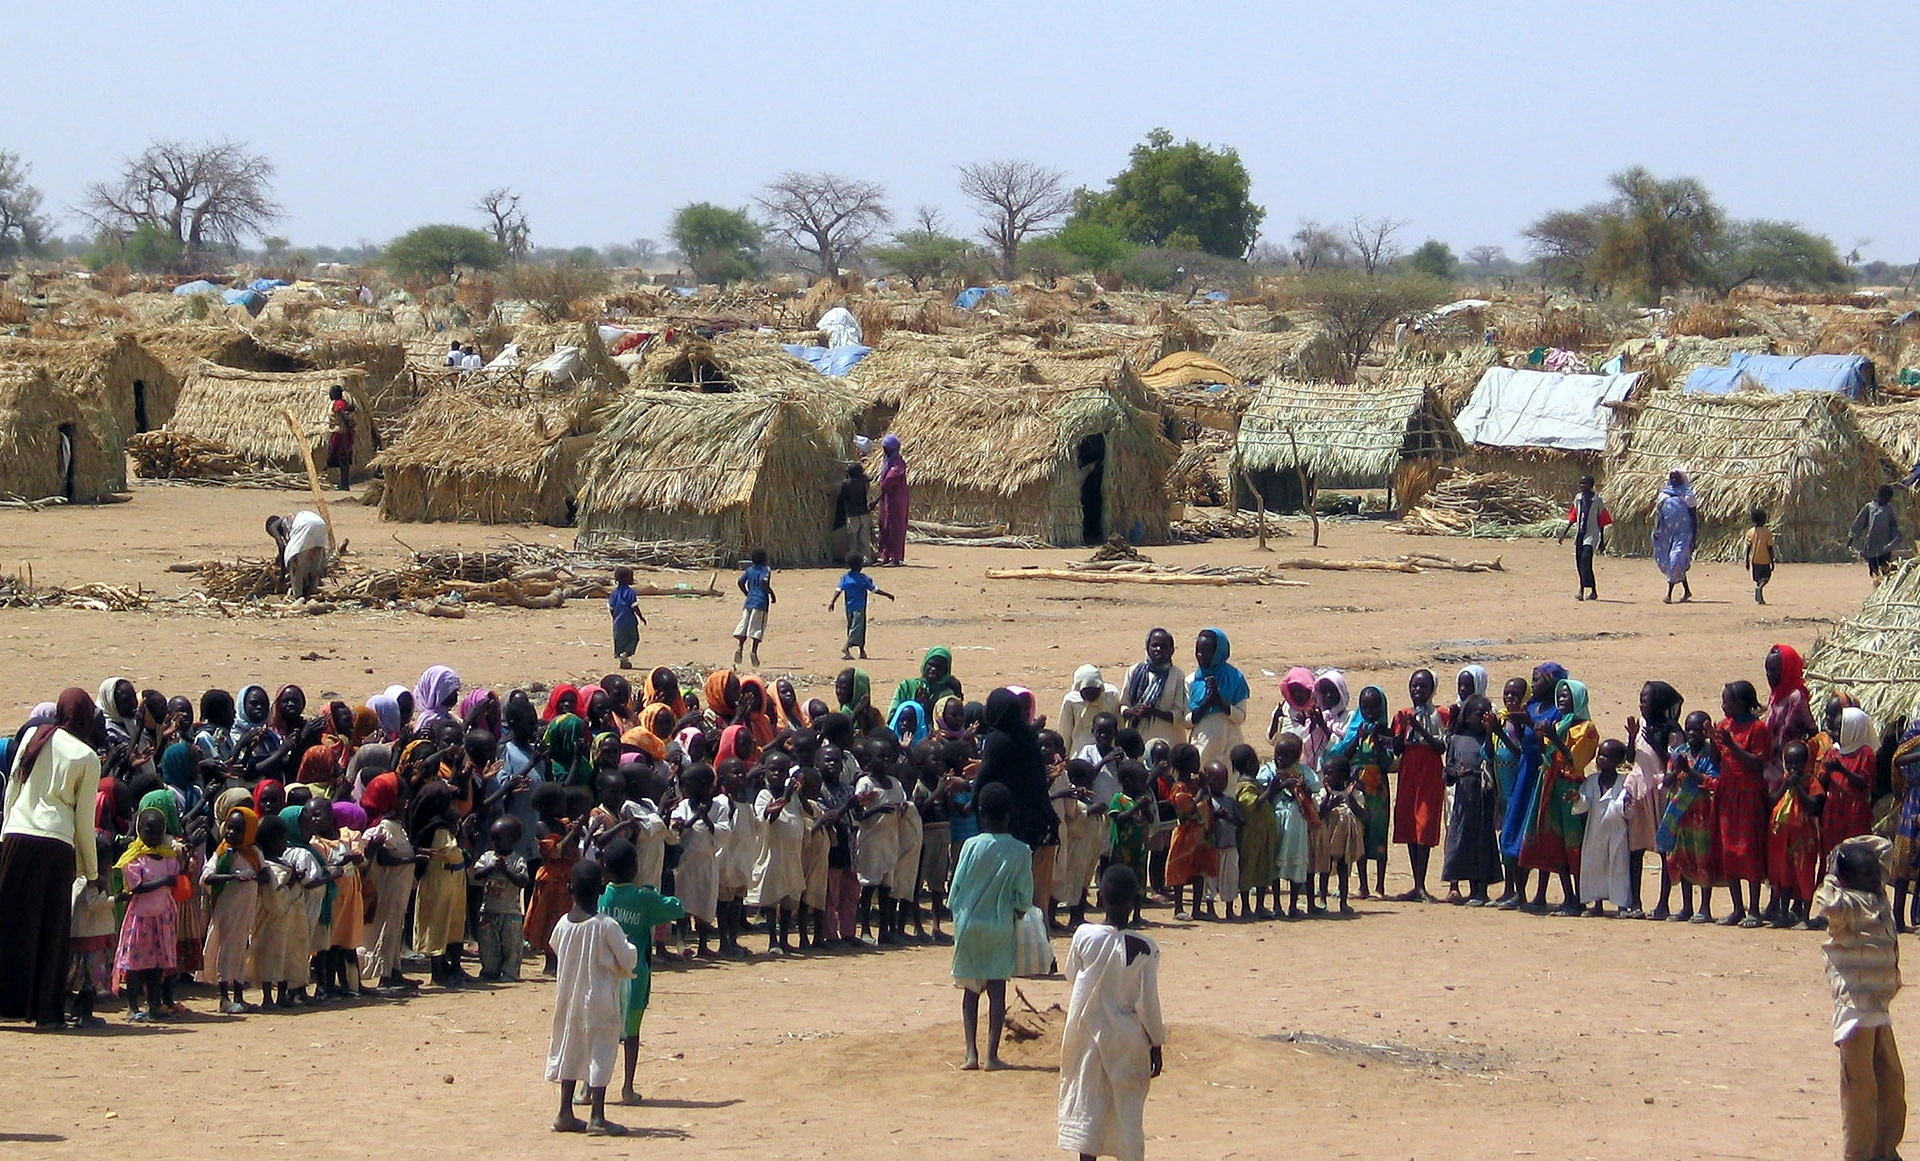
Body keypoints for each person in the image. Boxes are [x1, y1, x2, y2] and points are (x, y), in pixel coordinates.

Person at [0, 687, 102, 1026]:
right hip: (56, 845)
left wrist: (4, 836)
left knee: (8, 924)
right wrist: (91, 870)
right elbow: (84, 821)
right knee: (49, 930)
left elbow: (13, 788)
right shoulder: (87, 757)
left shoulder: (34, 736)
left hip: (16, 836)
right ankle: (44, 1013)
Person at [1056, 864, 1165, 1161]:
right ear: (1135, 902)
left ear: (1100, 898)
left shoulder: (1083, 935)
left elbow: (1070, 975)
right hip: (1127, 1040)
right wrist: (1156, 1041)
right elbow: (1148, 1002)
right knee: (1127, 1111)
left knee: (1088, 1105)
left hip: (1086, 1036)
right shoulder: (1146, 947)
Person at [1813, 836, 1906, 1161]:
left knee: (1890, 1082)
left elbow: (1883, 846)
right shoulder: (1844, 907)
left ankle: (1885, 1149)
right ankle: (1860, 1154)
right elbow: (1825, 899)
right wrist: (1833, 867)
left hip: (1879, 1009)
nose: (1874, 875)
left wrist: (1844, 848)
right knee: (1860, 1087)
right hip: (1854, 1012)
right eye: (1866, 873)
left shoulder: (1878, 897)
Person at [547, 860, 638, 1136]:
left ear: (568, 889)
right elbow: (628, 958)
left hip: (568, 997)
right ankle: (597, 1116)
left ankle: (565, 1112)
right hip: (599, 998)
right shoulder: (606, 925)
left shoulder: (563, 924)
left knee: (570, 1046)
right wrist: (625, 946)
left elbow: (555, 947)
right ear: (601, 888)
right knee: (601, 1049)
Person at [948, 782, 1034, 1072]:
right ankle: (992, 1056)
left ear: (980, 812)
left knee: (970, 991)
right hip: (1000, 926)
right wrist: (1020, 912)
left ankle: (970, 1053)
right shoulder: (1021, 851)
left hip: (969, 923)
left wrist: (958, 916)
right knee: (997, 991)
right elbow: (1024, 895)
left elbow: (956, 887)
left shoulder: (971, 846)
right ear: (1010, 813)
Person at [598, 838, 683, 1106]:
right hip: (635, 978)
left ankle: (589, 1089)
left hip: (602, 978)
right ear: (635, 867)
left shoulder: (600, 897)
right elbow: (676, 907)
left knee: (598, 1033)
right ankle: (627, 1087)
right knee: (631, 1034)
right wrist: (652, 891)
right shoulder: (643, 898)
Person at [1391, 669, 1449, 902]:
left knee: (1424, 824)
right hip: (1409, 771)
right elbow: (1396, 749)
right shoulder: (1402, 715)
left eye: (1423, 687)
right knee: (1409, 825)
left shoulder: (1441, 715)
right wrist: (1402, 730)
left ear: (1431, 690)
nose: (1417, 690)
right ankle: (1416, 883)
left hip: (1429, 772)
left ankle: (1422, 884)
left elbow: (1440, 747)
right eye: (1414, 686)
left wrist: (1420, 726)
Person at [1442, 695, 1501, 906]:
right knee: (1463, 840)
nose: (1483, 718)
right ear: (1467, 717)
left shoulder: (1492, 738)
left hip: (1483, 796)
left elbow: (1492, 759)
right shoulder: (1457, 739)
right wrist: (1453, 771)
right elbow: (1447, 771)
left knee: (1483, 841)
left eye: (1487, 714)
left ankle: (1481, 889)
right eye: (1479, 715)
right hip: (1463, 798)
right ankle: (1463, 886)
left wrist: (1489, 732)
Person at [1573, 739, 1634, 917]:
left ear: (1617, 761)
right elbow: (1584, 803)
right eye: (1599, 755)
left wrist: (1627, 805)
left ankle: (1622, 904)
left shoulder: (1624, 782)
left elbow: (1627, 808)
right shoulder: (1592, 781)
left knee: (1618, 866)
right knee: (1595, 865)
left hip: (1617, 832)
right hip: (1595, 832)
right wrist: (1577, 798)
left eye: (1606, 756)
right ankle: (1597, 903)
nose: (1600, 759)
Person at [470, 816, 532, 981]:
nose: (495, 842)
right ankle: (490, 970)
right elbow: (476, 875)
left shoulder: (517, 860)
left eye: (500, 839)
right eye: (493, 838)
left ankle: (509, 972)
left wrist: (506, 871)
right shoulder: (487, 857)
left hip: (510, 913)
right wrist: (490, 868)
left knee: (511, 946)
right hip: (488, 911)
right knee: (488, 945)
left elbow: (523, 881)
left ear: (513, 840)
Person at [1187, 628, 1249, 767]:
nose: (1200, 655)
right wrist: (1207, 703)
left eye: (1206, 651)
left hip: (1231, 745)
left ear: (1218, 652)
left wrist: (1220, 703)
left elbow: (1240, 717)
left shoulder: (1235, 678)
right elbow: (1186, 721)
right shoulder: (1191, 681)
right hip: (1203, 746)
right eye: (1198, 650)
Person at [1119, 628, 1188, 751]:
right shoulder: (1134, 671)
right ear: (1147, 647)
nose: (1158, 649)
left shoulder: (1177, 675)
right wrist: (1133, 711)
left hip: (1166, 741)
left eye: (1163, 646)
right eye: (1154, 645)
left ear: (1171, 650)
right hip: (1137, 740)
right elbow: (1123, 704)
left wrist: (1154, 712)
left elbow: (1178, 714)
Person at [827, 554, 893, 661]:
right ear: (860, 566)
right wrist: (888, 595)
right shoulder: (863, 579)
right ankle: (846, 647)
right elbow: (875, 590)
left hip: (848, 608)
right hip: (860, 607)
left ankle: (861, 651)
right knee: (858, 628)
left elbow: (838, 590)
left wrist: (832, 602)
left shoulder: (845, 578)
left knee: (853, 627)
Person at [1558, 475, 1610, 601]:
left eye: (1585, 484)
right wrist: (1564, 533)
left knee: (1586, 559)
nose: (1582, 487)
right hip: (1580, 534)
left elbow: (1601, 520)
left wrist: (1602, 541)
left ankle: (1590, 589)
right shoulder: (1578, 498)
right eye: (1581, 484)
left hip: (1591, 534)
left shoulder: (1597, 500)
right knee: (1579, 563)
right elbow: (1574, 516)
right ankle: (1583, 590)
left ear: (1591, 486)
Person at [1653, 468, 1699, 603]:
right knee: (1671, 562)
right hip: (1666, 533)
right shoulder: (1663, 494)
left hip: (1683, 533)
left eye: (1676, 478)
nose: (1674, 480)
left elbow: (1693, 517)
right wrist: (1656, 529)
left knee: (1676, 558)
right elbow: (1658, 514)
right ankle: (1687, 591)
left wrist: (1694, 536)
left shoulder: (1688, 495)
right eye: (1672, 477)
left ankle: (1669, 594)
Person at [1059, 666, 1121, 757]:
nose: (1090, 695)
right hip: (1080, 753)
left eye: (1094, 691)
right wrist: (1064, 755)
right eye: (1086, 692)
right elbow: (1065, 732)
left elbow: (1119, 723)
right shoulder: (1071, 701)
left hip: (1108, 750)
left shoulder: (1111, 695)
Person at [1851, 484, 1904, 584]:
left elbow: (1894, 526)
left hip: (1885, 546)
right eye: (1886, 498)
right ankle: (1876, 590)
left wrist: (1895, 539)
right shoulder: (1870, 507)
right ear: (1880, 496)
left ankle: (1884, 589)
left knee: (1885, 569)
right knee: (1874, 571)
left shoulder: (1889, 509)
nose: (1887, 500)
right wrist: (1852, 537)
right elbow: (1860, 522)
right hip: (1871, 544)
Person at [274, 509, 330, 599]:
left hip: (304, 525)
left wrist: (282, 574)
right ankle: (311, 592)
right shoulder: (290, 521)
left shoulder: (273, 525)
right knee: (314, 560)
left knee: (293, 559)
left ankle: (298, 596)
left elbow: (281, 545)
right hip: (320, 523)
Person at [733, 549, 775, 667]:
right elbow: (763, 582)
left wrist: (747, 593)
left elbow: (740, 582)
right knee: (757, 628)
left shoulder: (749, 570)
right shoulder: (765, 570)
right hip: (760, 602)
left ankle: (740, 648)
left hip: (749, 602)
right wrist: (771, 594)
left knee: (745, 626)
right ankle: (753, 652)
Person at [876, 433, 909, 567]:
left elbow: (890, 479)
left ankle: (895, 558)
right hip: (887, 498)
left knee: (895, 526)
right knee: (884, 525)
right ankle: (885, 556)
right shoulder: (888, 462)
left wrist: (882, 486)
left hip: (896, 499)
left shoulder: (898, 463)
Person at [607, 567, 647, 670]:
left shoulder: (614, 593)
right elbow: (634, 607)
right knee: (634, 638)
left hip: (618, 623)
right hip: (630, 622)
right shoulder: (630, 592)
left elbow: (611, 608)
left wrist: (614, 618)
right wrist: (641, 617)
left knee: (620, 641)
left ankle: (622, 659)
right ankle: (626, 654)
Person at [833, 462, 873, 562]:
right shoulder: (863, 481)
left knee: (853, 537)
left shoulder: (846, 484)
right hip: (863, 512)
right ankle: (867, 558)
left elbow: (843, 496)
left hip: (852, 514)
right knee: (864, 537)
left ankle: (853, 558)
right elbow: (869, 478)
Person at [326, 383, 356, 492]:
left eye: (331, 392)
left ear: (335, 394)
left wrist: (347, 424)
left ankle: (344, 484)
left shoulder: (338, 403)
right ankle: (343, 483)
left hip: (341, 433)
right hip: (343, 432)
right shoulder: (342, 403)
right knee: (343, 458)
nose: (330, 394)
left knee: (342, 457)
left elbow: (343, 414)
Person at [1746, 506, 1776, 605]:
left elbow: (1748, 548)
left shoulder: (1750, 532)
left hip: (1754, 560)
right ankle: (1759, 589)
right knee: (1766, 577)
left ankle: (1760, 598)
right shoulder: (1767, 533)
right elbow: (1769, 547)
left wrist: (1747, 561)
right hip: (1765, 559)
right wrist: (1772, 561)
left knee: (1758, 578)